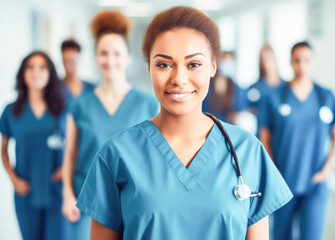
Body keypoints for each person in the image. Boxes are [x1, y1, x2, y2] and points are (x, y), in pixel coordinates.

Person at [76, 6, 293, 240]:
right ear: (149, 67)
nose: (179, 79)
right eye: (164, 64)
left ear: (212, 66)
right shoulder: (116, 154)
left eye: (193, 64)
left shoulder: (247, 151)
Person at [61, 10, 159, 240]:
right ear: (96, 57)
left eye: (117, 53)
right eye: (103, 53)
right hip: (86, 201)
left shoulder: (148, 104)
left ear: (128, 57)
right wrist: (67, 195)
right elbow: (70, 156)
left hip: (134, 199)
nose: (110, 60)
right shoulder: (79, 106)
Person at [258, 41, 335, 240]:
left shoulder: (326, 96)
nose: (302, 66)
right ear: (290, 62)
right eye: (297, 60)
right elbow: (264, 138)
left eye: (307, 60)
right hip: (284, 179)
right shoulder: (274, 96)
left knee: (311, 236)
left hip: (315, 181)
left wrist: (327, 169)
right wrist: (274, 171)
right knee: (281, 235)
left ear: (313, 62)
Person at [0, 51, 67, 240]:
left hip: (56, 191)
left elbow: (76, 143)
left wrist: (66, 167)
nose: (36, 72)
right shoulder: (12, 111)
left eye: (42, 67)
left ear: (50, 74)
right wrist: (13, 179)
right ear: (23, 73)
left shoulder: (62, 109)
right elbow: (3, 148)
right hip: (26, 191)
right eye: (30, 67)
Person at [202, 52, 248, 124]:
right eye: (225, 61)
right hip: (207, 124)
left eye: (230, 62)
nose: (227, 65)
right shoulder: (208, 84)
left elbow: (239, 110)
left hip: (227, 128)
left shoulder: (235, 87)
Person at [247, 44, 285, 120]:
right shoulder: (255, 88)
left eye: (268, 58)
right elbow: (248, 110)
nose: (266, 62)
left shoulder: (286, 87)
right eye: (263, 59)